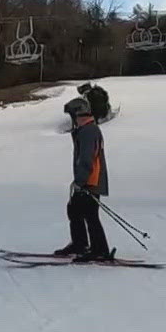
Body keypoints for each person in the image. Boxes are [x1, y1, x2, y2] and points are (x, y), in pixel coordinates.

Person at [54, 96, 111, 261]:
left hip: (90, 180)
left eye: (72, 116)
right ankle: (80, 244)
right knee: (75, 210)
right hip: (87, 179)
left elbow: (87, 159)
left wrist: (80, 181)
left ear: (78, 115)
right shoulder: (86, 130)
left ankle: (99, 250)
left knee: (90, 214)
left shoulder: (89, 131)